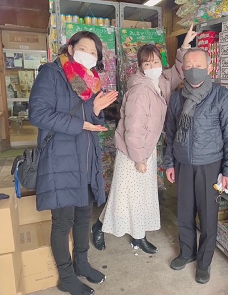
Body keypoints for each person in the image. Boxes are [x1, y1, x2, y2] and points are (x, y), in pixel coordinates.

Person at [91, 25, 198, 254]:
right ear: (140, 67)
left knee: (139, 197)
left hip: (146, 149)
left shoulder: (159, 81)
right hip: (133, 151)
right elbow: (133, 129)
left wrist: (185, 45)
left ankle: (137, 236)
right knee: (124, 196)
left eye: (155, 62)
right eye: (146, 64)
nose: (152, 67)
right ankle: (99, 227)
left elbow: (177, 71)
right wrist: (139, 158)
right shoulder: (141, 90)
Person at [29, 31, 118, 295]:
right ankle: (66, 277)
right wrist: (80, 123)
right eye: (84, 48)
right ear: (70, 48)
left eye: (94, 52)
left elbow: (90, 119)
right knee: (63, 221)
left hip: (86, 159)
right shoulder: (51, 74)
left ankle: (82, 264)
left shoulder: (88, 82)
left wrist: (97, 111)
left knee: (82, 217)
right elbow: (38, 113)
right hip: (60, 159)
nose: (89, 54)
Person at [164, 48, 228, 284]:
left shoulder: (221, 96)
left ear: (209, 68)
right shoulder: (177, 98)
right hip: (183, 163)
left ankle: (204, 263)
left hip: (211, 165)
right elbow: (170, 134)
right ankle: (187, 252)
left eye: (198, 65)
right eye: (188, 65)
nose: (193, 69)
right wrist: (169, 163)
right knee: (184, 214)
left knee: (208, 217)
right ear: (183, 69)